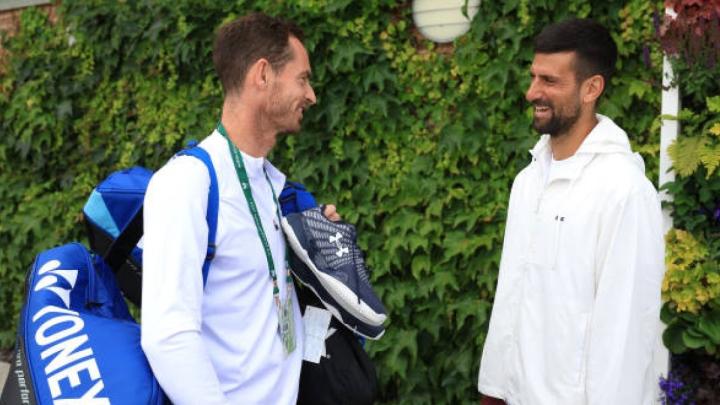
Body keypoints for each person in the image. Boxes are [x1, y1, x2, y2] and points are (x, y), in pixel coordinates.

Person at [140, 13, 336, 404]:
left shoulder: (272, 185)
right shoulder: (187, 183)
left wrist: (321, 262)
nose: (311, 95)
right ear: (263, 75)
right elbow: (168, 336)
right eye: (302, 79)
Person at [477, 18, 665, 404]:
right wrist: (494, 391)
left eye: (549, 80)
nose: (532, 92)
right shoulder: (528, 181)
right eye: (533, 77)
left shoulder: (623, 191)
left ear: (591, 88)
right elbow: (511, 299)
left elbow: (625, 334)